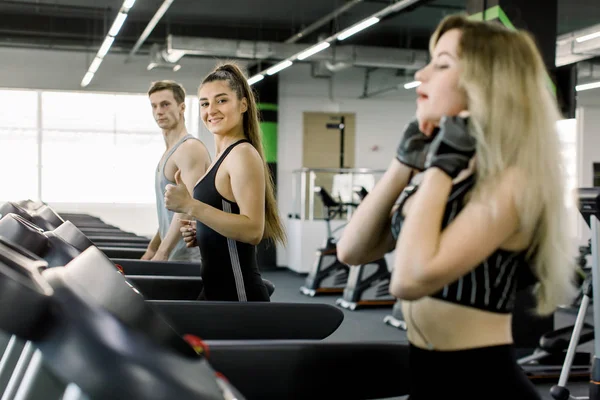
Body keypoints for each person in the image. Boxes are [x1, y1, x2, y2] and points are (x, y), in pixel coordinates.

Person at [337, 14, 577, 400]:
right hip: (428, 380)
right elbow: (353, 251)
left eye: (442, 64)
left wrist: (441, 163)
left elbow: (408, 281)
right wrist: (404, 163)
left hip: (482, 386)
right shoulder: (451, 173)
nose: (424, 73)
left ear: (484, 84)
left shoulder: (509, 182)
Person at [164, 63, 286, 302]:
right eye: (205, 103)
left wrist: (191, 206)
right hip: (215, 289)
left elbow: (252, 230)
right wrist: (204, 232)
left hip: (238, 294)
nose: (212, 110)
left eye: (222, 101)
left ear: (243, 105)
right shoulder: (222, 156)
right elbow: (229, 218)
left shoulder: (242, 154)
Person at [141, 80, 211, 262]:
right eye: (154, 106)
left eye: (165, 104)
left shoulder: (189, 149)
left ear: (181, 107)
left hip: (190, 259)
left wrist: (162, 253)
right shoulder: (168, 153)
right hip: (173, 256)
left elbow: (187, 208)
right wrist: (152, 249)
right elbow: (170, 213)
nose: (158, 111)